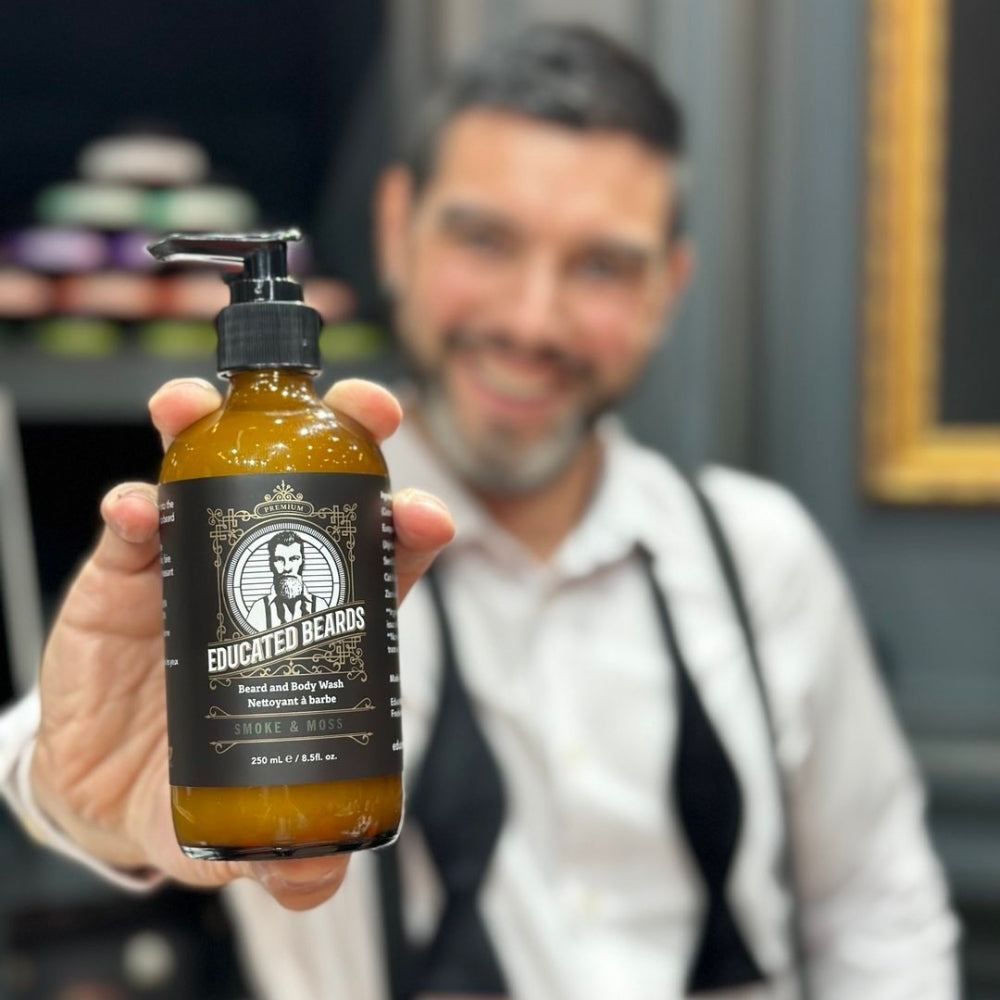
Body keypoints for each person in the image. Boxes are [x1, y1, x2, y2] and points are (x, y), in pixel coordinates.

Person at [0, 23, 958, 1000]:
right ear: (396, 229)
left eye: (601, 265)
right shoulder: (281, 511)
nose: (531, 320)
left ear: (666, 288)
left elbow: (877, 910)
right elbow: (57, 753)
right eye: (486, 239)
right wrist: (78, 795)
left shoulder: (763, 556)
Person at [246, 530, 329, 631]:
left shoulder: (320, 606)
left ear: (303, 563)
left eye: (294, 558)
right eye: (279, 559)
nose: (287, 567)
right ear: (271, 564)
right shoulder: (259, 609)